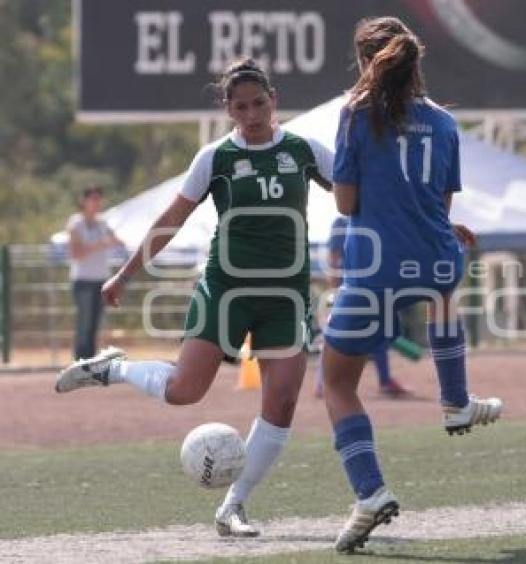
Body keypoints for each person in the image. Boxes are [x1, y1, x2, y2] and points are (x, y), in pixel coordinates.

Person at [54, 59, 333, 538]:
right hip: (227, 289)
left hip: (287, 294)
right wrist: (124, 275)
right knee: (185, 391)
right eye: (240, 106)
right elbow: (170, 220)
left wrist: (429, 222)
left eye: (258, 103)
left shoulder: (304, 150)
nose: (251, 114)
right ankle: (115, 367)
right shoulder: (216, 158)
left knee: (283, 400)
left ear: (274, 99)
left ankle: (234, 506)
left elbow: (361, 193)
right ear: (228, 109)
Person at [322, 17, 503, 552]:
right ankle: (454, 400)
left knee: (337, 384)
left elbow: (347, 204)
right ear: (414, 62)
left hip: (374, 269)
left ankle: (370, 492)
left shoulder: (354, 115)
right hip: (433, 260)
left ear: (364, 63)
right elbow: (436, 206)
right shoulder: (444, 124)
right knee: (443, 278)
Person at [314, 215, 412, 398]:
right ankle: (322, 383)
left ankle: (385, 380)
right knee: (333, 335)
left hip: (367, 285)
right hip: (347, 287)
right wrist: (335, 283)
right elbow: (334, 254)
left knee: (376, 331)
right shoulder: (342, 222)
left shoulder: (370, 216)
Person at [66, 186, 124, 360]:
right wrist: (101, 244)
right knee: (84, 322)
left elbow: (118, 241)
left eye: (99, 199)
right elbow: (76, 253)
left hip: (102, 280)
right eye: (93, 199)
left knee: (96, 323)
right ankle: (80, 360)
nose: (97, 203)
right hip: (83, 280)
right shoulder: (75, 223)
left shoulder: (104, 223)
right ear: (83, 201)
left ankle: (90, 360)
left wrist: (103, 243)